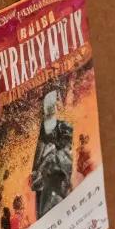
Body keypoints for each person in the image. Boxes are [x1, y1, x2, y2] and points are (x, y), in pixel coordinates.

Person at [30, 89, 73, 220]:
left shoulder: (64, 129)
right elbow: (35, 177)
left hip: (58, 185)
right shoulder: (40, 140)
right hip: (46, 188)